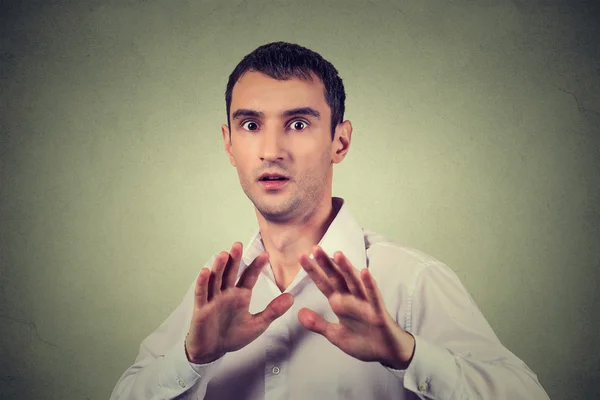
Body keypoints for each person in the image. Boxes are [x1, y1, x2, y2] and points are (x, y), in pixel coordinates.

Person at [110, 41, 550, 400]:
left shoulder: (410, 283)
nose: (271, 150)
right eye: (250, 125)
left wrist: (409, 356)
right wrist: (191, 358)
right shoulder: (216, 292)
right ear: (228, 145)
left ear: (340, 141)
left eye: (298, 124)